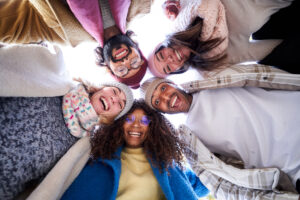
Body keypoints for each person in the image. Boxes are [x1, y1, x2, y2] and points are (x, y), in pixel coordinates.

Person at [140, 63, 300, 195]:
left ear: (172, 83)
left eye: (162, 88)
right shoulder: (191, 142)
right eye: (157, 102)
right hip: (292, 165)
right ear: (162, 112)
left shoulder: (210, 78)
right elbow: (220, 186)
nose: (166, 98)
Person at [0, 44, 134, 200]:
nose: (114, 98)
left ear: (112, 118)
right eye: (115, 91)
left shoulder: (82, 146)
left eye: (120, 104)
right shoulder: (59, 81)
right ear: (101, 88)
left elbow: (46, 186)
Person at [27, 100, 210, 199]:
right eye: (129, 119)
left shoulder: (168, 164)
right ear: (119, 125)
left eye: (144, 121)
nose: (136, 125)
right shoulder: (97, 158)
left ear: (152, 128)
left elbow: (203, 184)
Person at [0, 0, 150, 88]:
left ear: (108, 66)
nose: (125, 61)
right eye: (135, 62)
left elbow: (20, 25)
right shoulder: (141, 6)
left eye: (122, 70)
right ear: (138, 50)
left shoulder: (65, 36)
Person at [147, 0, 296, 78]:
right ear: (177, 71)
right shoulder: (216, 55)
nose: (170, 60)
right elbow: (271, 49)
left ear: (162, 45)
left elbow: (205, 5)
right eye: (168, 68)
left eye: (161, 56)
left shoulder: (181, 12)